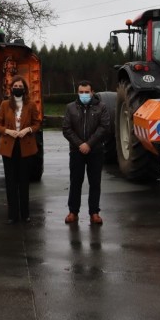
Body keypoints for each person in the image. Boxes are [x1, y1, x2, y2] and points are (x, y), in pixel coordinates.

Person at [62, 80, 110, 226]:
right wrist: (80, 144)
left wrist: (89, 144)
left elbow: (104, 127)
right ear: (78, 92)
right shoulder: (70, 108)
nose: (84, 94)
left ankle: (94, 213)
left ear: (92, 92)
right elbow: (66, 129)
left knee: (95, 182)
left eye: (86, 92)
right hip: (76, 151)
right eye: (81, 92)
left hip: (95, 151)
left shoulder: (101, 107)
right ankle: (73, 212)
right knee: (76, 182)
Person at [0, 76, 41, 224]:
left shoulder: (31, 105)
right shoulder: (4, 105)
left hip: (25, 146)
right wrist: (8, 131)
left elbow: (37, 123)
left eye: (20, 85)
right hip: (8, 147)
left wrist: (28, 129)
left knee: (24, 181)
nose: (17, 87)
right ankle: (12, 215)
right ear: (11, 88)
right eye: (15, 85)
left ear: (25, 89)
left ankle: (25, 214)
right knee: (10, 182)